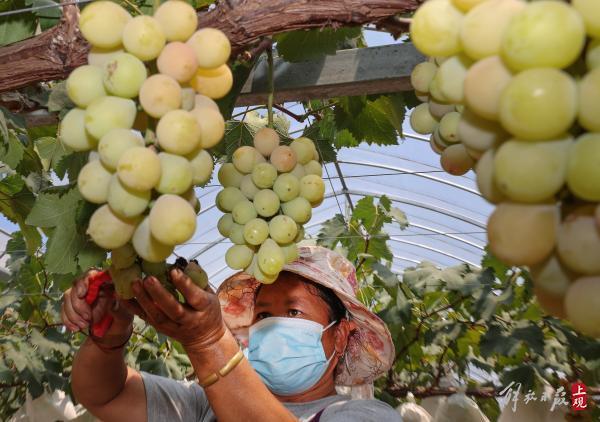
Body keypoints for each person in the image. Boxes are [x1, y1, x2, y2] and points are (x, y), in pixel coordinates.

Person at [62, 245, 401, 421]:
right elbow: (107, 395)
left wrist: (208, 343)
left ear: (340, 335)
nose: (274, 324)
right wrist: (110, 332)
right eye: (264, 314)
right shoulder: (204, 406)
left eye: (294, 312)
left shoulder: (368, 416)